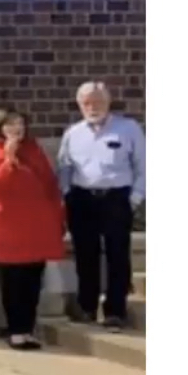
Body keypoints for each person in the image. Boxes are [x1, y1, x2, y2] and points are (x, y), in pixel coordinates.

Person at [55, 82, 145, 330]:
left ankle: (116, 310)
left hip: (117, 197)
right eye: (87, 103)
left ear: (108, 102)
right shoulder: (73, 133)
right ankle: (87, 306)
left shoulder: (128, 129)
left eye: (98, 102)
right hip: (82, 198)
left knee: (117, 254)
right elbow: (64, 166)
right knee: (86, 254)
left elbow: (142, 165)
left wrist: (135, 198)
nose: (93, 107)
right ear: (80, 105)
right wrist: (67, 194)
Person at [0, 108, 66, 349]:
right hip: (10, 225)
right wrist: (9, 159)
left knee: (33, 279)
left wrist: (58, 217)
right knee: (14, 280)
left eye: (19, 124)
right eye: (10, 125)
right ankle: (15, 329)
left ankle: (27, 329)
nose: (16, 129)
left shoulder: (35, 150)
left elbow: (49, 184)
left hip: (37, 223)